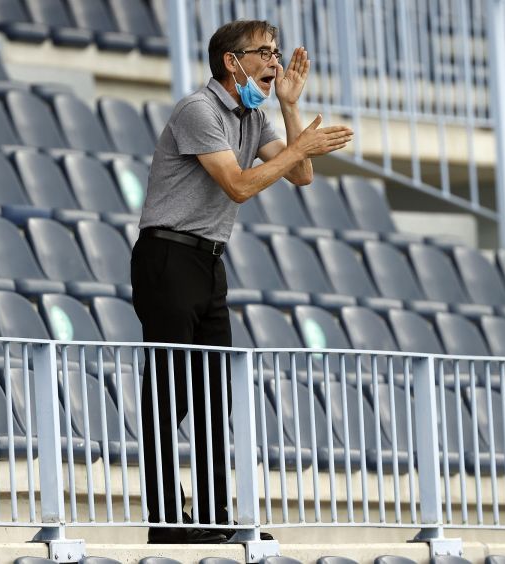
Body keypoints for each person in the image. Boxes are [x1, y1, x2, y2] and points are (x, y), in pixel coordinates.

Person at [131, 20, 353, 544]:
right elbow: (237, 185)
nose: (275, 62)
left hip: (209, 261)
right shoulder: (199, 109)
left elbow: (300, 174)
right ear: (232, 62)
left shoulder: (254, 116)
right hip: (168, 255)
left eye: (276, 52)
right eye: (265, 53)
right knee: (169, 393)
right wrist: (302, 146)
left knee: (213, 394)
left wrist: (291, 108)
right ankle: (167, 522)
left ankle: (212, 516)